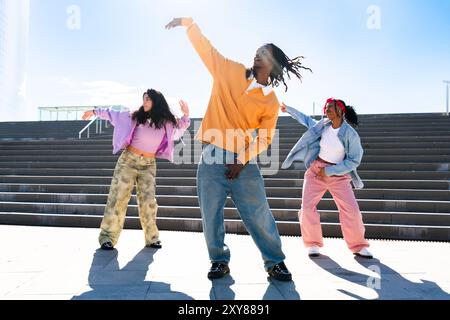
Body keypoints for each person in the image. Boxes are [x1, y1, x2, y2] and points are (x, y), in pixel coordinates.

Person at [166, 17, 311, 281]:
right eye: (257, 53)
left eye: (264, 54)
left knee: (259, 213)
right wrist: (189, 24)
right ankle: (219, 261)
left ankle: (275, 262)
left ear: (273, 63)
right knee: (211, 213)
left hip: (244, 162)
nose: (257, 56)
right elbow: (206, 49)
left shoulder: (270, 101)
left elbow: (265, 138)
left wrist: (242, 160)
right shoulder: (230, 70)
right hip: (211, 155)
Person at [82, 89, 190, 250]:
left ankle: (152, 238)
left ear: (156, 101)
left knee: (148, 202)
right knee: (117, 198)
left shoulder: (166, 122)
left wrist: (186, 114)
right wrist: (94, 111)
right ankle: (107, 238)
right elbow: (112, 114)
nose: (144, 102)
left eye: (148, 99)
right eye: (143, 99)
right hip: (128, 161)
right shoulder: (134, 116)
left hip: (148, 164)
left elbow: (179, 129)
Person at [280, 99, 373, 259]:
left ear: (341, 111)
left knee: (351, 210)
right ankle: (313, 244)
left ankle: (358, 246)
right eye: (326, 107)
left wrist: (329, 171)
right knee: (307, 208)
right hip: (316, 172)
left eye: (331, 107)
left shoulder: (350, 134)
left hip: (339, 175)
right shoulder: (322, 126)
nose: (327, 109)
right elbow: (304, 119)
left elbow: (354, 160)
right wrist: (288, 109)